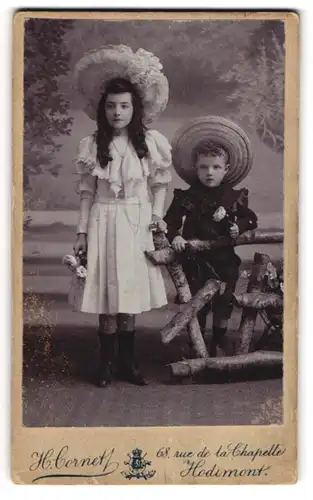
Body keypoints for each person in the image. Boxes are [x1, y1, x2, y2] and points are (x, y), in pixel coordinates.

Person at [71, 46, 171, 387]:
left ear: (135, 108)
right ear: (103, 109)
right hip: (103, 221)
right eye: (112, 106)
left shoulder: (149, 143)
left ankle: (129, 364)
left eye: (124, 106)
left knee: (128, 290)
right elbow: (86, 193)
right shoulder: (92, 144)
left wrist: (156, 218)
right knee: (106, 290)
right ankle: (105, 365)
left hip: (136, 221)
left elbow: (160, 185)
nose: (117, 112)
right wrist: (83, 232)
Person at [164, 116, 258, 357]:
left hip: (224, 259)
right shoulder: (187, 196)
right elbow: (170, 222)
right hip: (195, 260)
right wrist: (175, 236)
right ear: (195, 168)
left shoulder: (233, 197)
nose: (209, 172)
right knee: (197, 301)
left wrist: (238, 225)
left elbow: (251, 218)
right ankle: (197, 342)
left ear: (226, 169)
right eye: (204, 167)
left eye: (216, 167)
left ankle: (219, 340)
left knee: (223, 302)